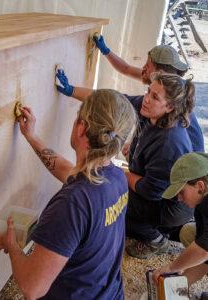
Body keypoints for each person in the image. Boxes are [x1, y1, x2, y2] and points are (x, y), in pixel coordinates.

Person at [0, 89, 137, 299]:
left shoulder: (72, 204)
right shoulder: (116, 177)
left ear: (81, 127)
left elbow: (32, 288)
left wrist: (12, 246)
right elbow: (68, 170)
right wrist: (31, 136)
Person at [56, 71, 196, 259]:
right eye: (148, 92)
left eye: (155, 97)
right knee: (112, 189)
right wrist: (72, 90)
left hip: (169, 206)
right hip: (158, 194)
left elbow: (149, 191)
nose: (146, 99)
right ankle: (164, 230)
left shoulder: (169, 142)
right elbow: (112, 103)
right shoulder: (152, 110)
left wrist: (119, 173)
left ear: (170, 107)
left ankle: (155, 240)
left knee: (113, 200)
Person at [60, 36, 204, 152]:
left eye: (147, 66)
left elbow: (111, 99)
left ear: (159, 73)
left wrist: (72, 90)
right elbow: (126, 69)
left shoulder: (172, 127)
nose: (143, 68)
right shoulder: (164, 87)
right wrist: (106, 51)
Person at [152, 152, 208, 288]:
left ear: (200, 186)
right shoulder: (202, 203)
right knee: (188, 233)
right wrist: (177, 288)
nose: (179, 198)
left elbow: (203, 251)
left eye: (181, 192)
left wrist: (171, 268)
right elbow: (205, 259)